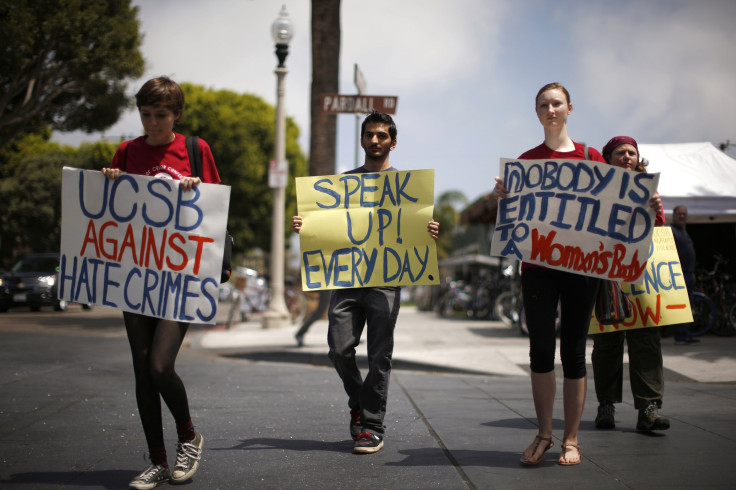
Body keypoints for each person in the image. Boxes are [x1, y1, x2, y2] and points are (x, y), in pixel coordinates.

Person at [292, 111, 440, 454]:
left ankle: (371, 426)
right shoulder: (341, 185)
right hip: (347, 279)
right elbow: (325, 231)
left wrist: (430, 231)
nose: (375, 140)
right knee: (339, 349)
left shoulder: (408, 187)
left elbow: (417, 231)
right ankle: (359, 400)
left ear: (393, 142)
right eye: (369, 135)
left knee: (379, 355)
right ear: (362, 139)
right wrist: (306, 227)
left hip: (386, 282)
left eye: (382, 136)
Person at [102, 77, 217, 489]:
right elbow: (112, 213)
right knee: (141, 372)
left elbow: (216, 208)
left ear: (176, 115)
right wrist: (109, 182)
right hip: (135, 275)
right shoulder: (128, 151)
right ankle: (156, 460)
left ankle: (189, 437)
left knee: (159, 366)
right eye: (146, 114)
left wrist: (197, 189)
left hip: (182, 277)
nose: (153, 123)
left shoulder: (194, 150)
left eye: (161, 115)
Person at [493, 83, 606, 466]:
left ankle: (571, 440)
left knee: (573, 352)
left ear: (569, 108)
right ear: (537, 112)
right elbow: (515, 220)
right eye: (543, 104)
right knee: (540, 350)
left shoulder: (592, 158)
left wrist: (647, 203)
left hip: (582, 268)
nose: (550, 109)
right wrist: (504, 200)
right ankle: (544, 434)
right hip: (538, 268)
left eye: (556, 103)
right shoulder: (525, 162)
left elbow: (613, 212)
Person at [591, 136, 671, 432]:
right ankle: (606, 406)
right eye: (620, 152)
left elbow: (658, 232)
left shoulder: (648, 190)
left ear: (638, 158)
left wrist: (657, 210)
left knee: (646, 342)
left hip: (642, 278)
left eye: (632, 152)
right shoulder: (596, 189)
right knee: (606, 345)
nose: (627, 156)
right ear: (608, 158)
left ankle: (649, 409)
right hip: (605, 275)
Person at [670, 205, 701, 345]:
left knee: (688, 305)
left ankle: (685, 333)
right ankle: (680, 335)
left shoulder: (682, 231)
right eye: (679, 214)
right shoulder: (670, 230)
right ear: (674, 215)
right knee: (681, 305)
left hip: (688, 273)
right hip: (679, 274)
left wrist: (692, 271)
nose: (682, 216)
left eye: (684, 214)